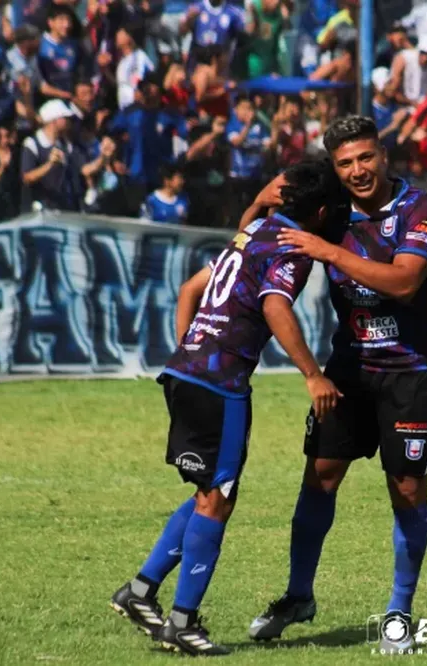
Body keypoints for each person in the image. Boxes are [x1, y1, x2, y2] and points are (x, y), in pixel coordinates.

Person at [109, 158, 347, 656]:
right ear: (323, 212)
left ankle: (139, 592)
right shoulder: (291, 248)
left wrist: (191, 349)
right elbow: (275, 306)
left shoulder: (256, 232)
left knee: (206, 491)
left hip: (185, 371)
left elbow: (189, 290)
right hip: (219, 385)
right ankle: (182, 622)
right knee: (218, 497)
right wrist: (313, 373)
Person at [246, 116, 427, 655]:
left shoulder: (418, 208)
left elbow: (405, 282)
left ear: (382, 154)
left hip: (411, 371)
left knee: (405, 488)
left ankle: (398, 614)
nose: (357, 171)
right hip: (350, 369)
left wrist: (327, 250)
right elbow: (253, 243)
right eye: (344, 163)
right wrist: (257, 203)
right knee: (320, 475)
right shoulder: (326, 210)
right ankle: (298, 595)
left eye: (365, 158)